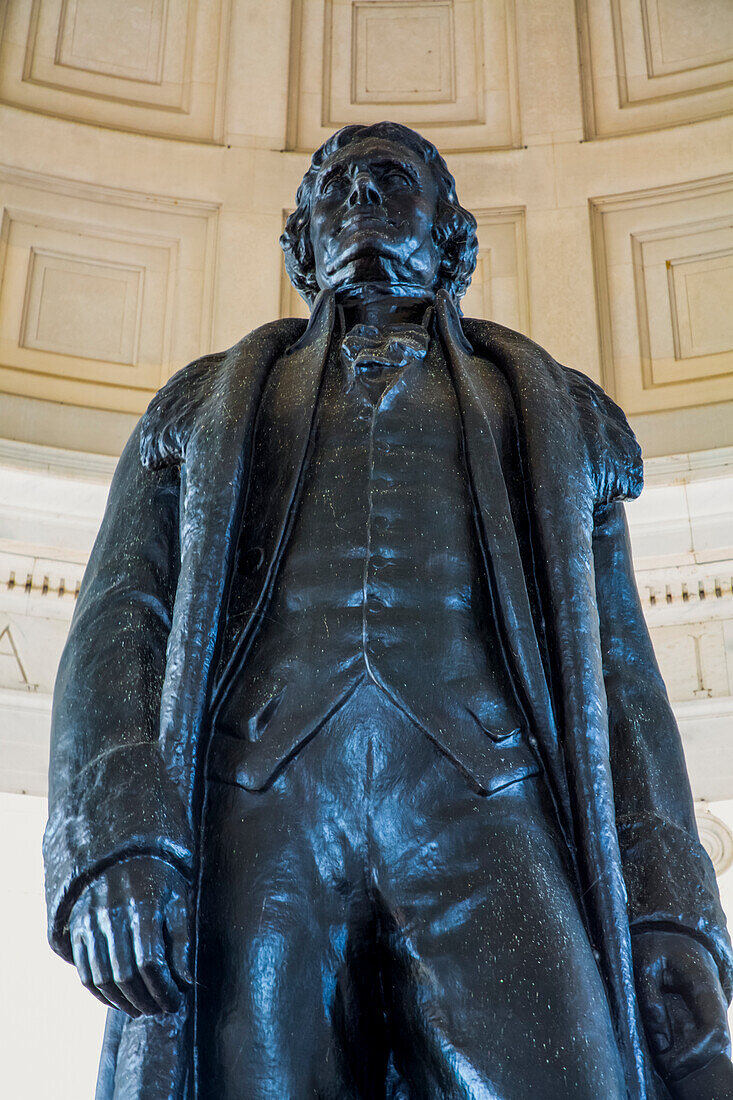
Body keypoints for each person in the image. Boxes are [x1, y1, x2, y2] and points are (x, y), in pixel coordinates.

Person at [44, 122, 733, 1099]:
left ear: (452, 234)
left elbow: (623, 678)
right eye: (336, 184)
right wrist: (115, 837)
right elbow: (117, 628)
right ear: (298, 240)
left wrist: (669, 907)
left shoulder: (558, 415)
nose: (360, 198)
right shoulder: (201, 406)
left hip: (490, 806)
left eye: (392, 180)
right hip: (260, 818)